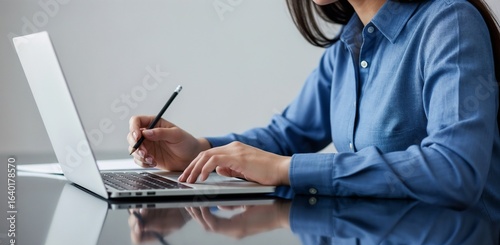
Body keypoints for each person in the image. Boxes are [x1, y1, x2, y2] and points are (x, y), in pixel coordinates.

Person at [128, 0, 500, 209]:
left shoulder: (449, 22)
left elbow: (455, 170)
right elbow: (289, 134)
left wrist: (290, 170)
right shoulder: (347, 44)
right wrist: (200, 150)